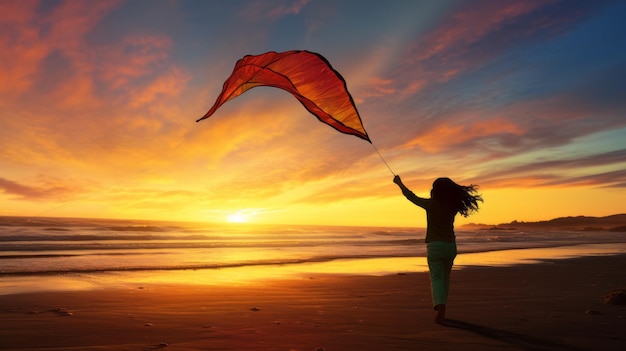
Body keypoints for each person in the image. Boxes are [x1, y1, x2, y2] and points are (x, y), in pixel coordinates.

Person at [393, 175, 482, 324]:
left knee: (436, 279)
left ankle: (440, 306)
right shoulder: (453, 206)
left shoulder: (431, 205)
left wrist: (399, 183)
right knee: (445, 278)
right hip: (450, 246)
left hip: (435, 247)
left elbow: (411, 197)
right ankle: (443, 306)